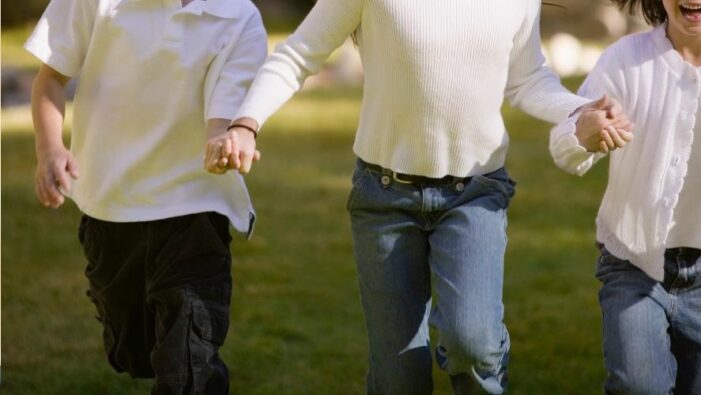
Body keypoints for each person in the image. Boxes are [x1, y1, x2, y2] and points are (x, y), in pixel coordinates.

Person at [205, 0, 632, 393]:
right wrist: (245, 123)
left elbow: (527, 79)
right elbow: (299, 53)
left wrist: (577, 109)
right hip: (384, 197)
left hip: (475, 193)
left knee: (473, 344)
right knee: (398, 377)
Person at [26, 0, 267, 392]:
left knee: (189, 367)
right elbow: (50, 77)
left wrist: (223, 144)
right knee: (133, 352)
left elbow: (220, 123)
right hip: (110, 208)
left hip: (194, 214)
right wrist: (49, 149)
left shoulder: (239, 17)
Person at [549, 0, 701, 393]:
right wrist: (583, 134)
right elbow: (563, 142)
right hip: (631, 262)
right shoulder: (626, 60)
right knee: (639, 386)